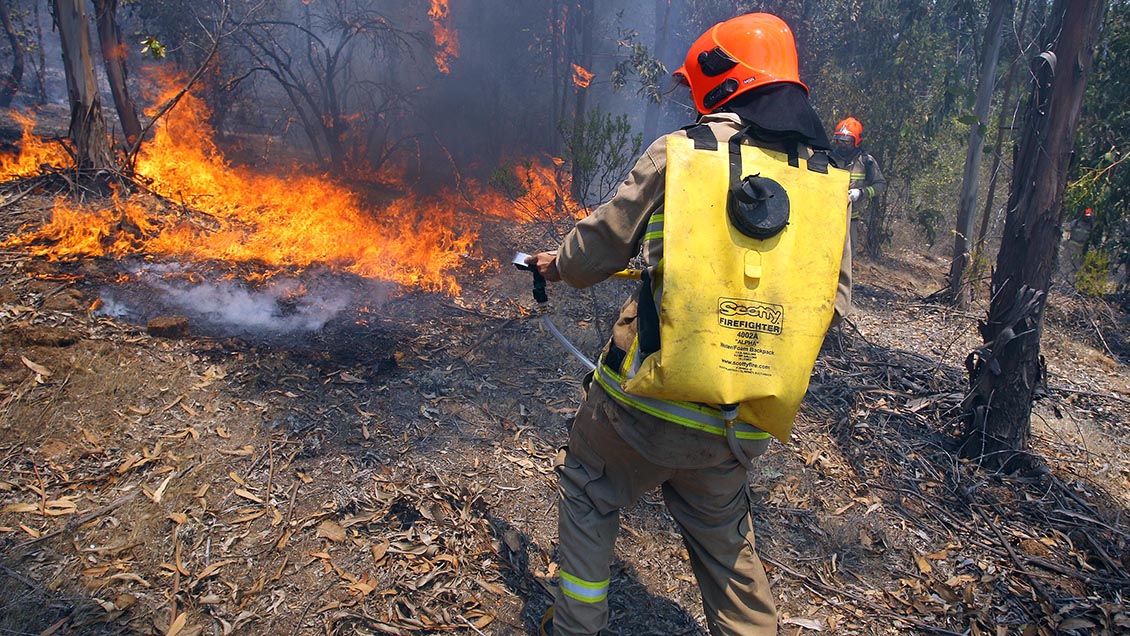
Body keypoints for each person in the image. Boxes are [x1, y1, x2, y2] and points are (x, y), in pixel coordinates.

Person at [525, 13, 852, 636]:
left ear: (722, 79)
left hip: (644, 408)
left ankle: (574, 624)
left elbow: (596, 250)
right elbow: (827, 311)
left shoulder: (682, 154)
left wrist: (558, 265)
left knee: (590, 488)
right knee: (726, 543)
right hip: (741, 419)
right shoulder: (829, 184)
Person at [829, 116, 886, 253]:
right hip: (828, 216)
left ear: (856, 141)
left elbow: (880, 185)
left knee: (846, 258)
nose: (842, 145)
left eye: (847, 142)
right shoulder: (827, 158)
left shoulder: (866, 162)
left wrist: (861, 193)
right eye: (839, 140)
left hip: (851, 220)